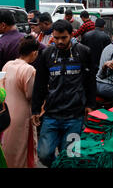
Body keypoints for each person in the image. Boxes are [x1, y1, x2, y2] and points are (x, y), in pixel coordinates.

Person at [31, 20, 96, 168]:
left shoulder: (84, 52)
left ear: (71, 35)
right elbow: (39, 84)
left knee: (72, 155)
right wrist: (35, 109)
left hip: (75, 116)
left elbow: (91, 82)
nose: (59, 41)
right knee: (44, 154)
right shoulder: (46, 54)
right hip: (51, 116)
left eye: (63, 38)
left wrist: (90, 105)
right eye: (56, 38)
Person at [0, 36, 40, 168]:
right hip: (22, 115)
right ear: (34, 53)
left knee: (7, 145)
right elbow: (30, 95)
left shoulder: (7, 64)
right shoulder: (29, 69)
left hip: (6, 111)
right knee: (22, 148)